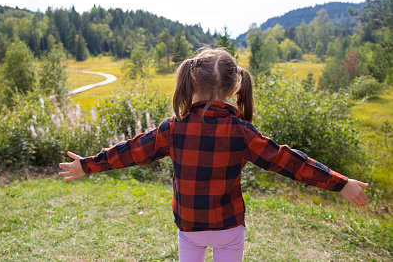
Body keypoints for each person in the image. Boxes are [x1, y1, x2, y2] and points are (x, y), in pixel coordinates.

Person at [59, 46, 368, 262]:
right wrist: (339, 183)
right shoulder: (242, 132)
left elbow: (130, 152)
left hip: (190, 228)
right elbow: (287, 160)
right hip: (229, 228)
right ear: (234, 89)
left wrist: (87, 166)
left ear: (191, 82)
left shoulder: (173, 128)